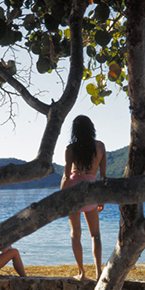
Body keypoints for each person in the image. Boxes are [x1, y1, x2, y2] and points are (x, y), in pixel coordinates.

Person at [60, 115, 107, 281]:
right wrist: (101, 198)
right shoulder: (100, 147)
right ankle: (99, 272)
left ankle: (81, 273)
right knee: (96, 235)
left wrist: (60, 197)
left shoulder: (70, 149)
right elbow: (102, 176)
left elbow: (66, 177)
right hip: (92, 189)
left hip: (73, 190)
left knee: (76, 233)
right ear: (91, 128)